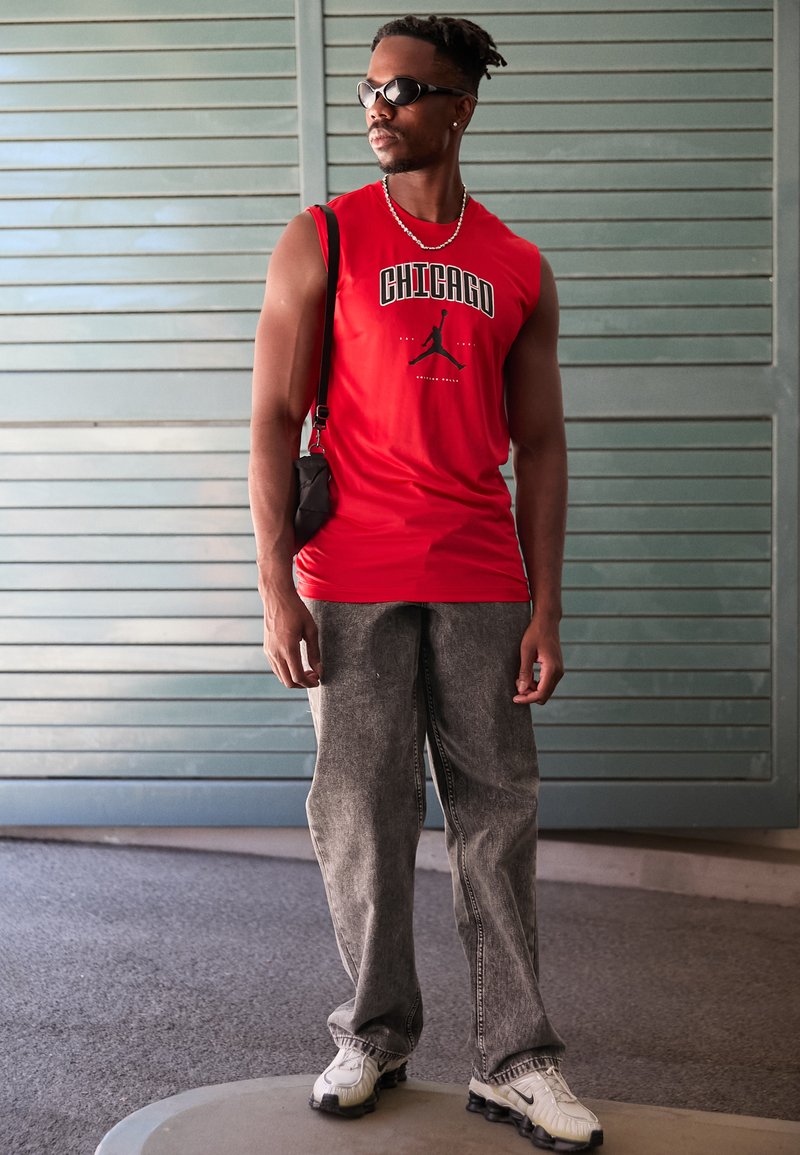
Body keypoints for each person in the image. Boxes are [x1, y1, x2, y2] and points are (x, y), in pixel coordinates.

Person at [248, 14, 603, 1153]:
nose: (378, 106)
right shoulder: (324, 237)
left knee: (496, 816)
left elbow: (540, 444)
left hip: (480, 577)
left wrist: (547, 606)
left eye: (404, 90)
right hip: (350, 575)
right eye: (370, 87)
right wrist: (274, 587)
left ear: (461, 106)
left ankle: (515, 1060)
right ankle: (373, 1032)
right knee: (361, 812)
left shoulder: (516, 264)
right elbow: (272, 416)